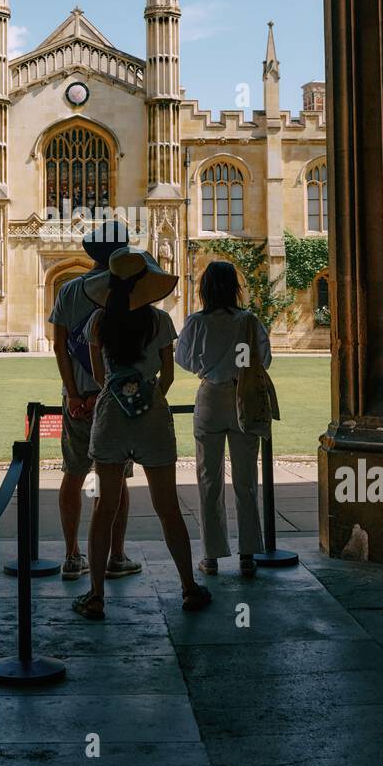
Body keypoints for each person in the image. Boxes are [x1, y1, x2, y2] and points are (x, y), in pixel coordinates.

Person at [70, 248, 212, 619]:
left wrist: (120, 394)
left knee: (104, 507)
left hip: (110, 415)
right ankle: (188, 588)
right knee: (168, 507)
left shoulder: (98, 321)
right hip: (152, 415)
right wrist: (148, 398)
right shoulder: (161, 321)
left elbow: (100, 377)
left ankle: (96, 595)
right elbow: (168, 375)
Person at [49, 221, 140, 582]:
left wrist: (73, 393)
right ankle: (116, 556)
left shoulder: (70, 289)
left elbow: (59, 345)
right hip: (115, 398)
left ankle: (72, 556)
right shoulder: (129, 290)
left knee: (73, 474)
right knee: (115, 480)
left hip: (78, 399)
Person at [175, 260, 274, 578]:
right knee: (246, 482)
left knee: (208, 480)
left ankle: (212, 556)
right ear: (234, 287)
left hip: (210, 397)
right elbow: (264, 359)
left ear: (205, 289)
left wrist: (210, 365)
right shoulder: (248, 321)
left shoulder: (196, 322)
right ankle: (247, 556)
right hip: (241, 397)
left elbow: (185, 360)